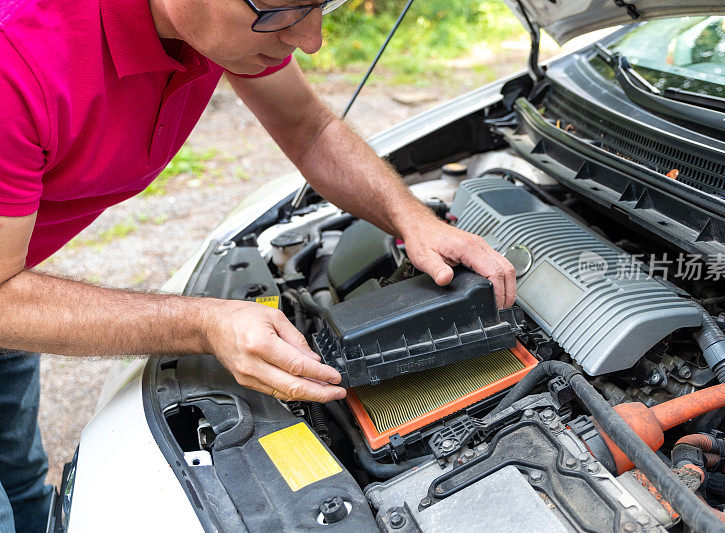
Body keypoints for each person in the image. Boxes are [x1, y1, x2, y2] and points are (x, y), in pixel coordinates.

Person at [0, 0, 517, 529]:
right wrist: (204, 322)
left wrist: (412, 218)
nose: (311, 39)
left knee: (21, 483)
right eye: (282, 10)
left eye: (322, 4)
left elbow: (307, 127)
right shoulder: (16, 61)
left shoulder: (216, 27)